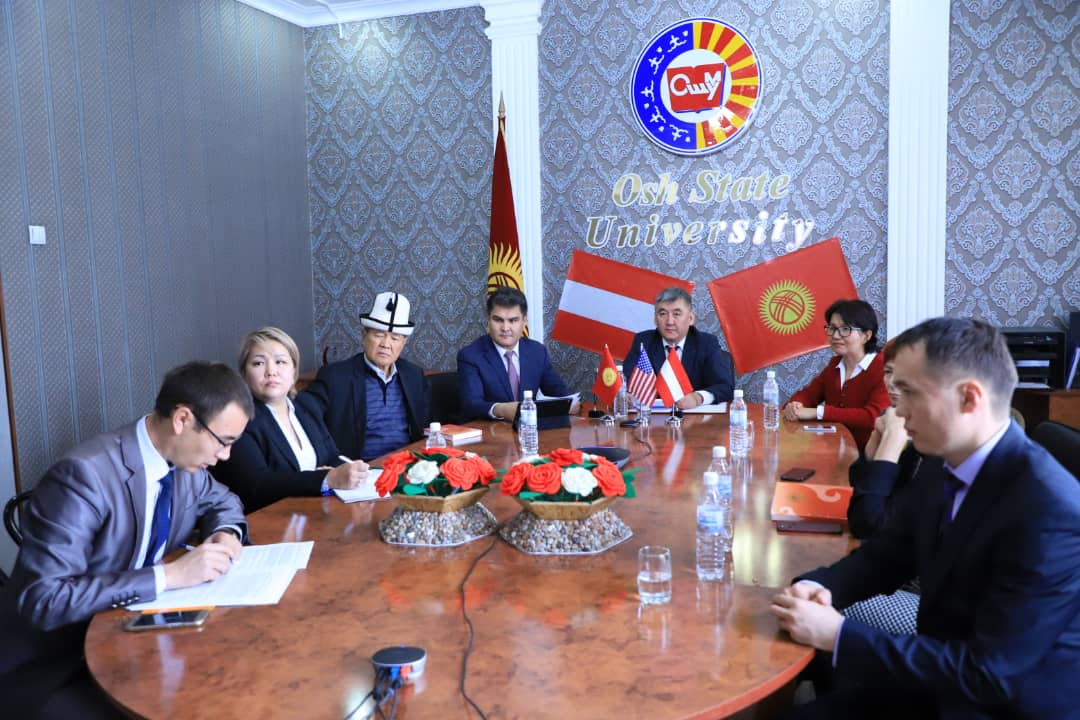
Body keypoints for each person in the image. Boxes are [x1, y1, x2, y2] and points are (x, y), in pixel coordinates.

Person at [770, 318, 1080, 719]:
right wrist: (817, 586)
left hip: (1000, 704)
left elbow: (989, 675)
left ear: (969, 398)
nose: (896, 408)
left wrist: (839, 634)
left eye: (909, 392)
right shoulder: (943, 459)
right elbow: (888, 555)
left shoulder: (1049, 511)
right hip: (939, 675)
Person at [0, 361, 253, 719]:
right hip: (56, 663)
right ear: (182, 419)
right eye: (223, 441)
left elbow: (223, 501)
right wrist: (169, 576)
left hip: (133, 639)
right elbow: (44, 599)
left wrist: (225, 533)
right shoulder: (84, 476)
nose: (225, 456)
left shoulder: (185, 465)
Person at [212, 327, 370, 512]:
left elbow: (331, 456)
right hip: (269, 518)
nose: (271, 371)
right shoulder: (239, 418)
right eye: (258, 363)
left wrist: (354, 470)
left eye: (280, 362)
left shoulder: (306, 405)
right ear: (244, 374)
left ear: (294, 371)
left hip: (315, 511)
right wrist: (327, 478)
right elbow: (255, 485)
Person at [300, 291, 429, 461]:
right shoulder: (335, 377)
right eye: (379, 335)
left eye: (395, 338)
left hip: (406, 464)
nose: (386, 344)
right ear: (363, 335)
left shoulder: (414, 376)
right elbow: (305, 418)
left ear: (403, 343)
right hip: (361, 468)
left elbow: (426, 429)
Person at [847, 341, 942, 539]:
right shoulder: (895, 416)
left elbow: (867, 524)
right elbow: (857, 498)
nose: (892, 382)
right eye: (888, 371)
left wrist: (891, 440)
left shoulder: (945, 442)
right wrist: (874, 448)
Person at [782, 299, 889, 452]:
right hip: (833, 450)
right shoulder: (835, 365)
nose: (836, 335)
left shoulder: (884, 368)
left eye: (845, 329)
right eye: (832, 328)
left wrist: (819, 412)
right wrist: (795, 406)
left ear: (866, 335)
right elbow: (808, 394)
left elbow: (873, 417)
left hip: (868, 455)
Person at [457, 287, 575, 421]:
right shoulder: (471, 356)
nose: (505, 328)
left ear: (524, 321)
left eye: (513, 320)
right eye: (498, 320)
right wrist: (500, 409)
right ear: (488, 320)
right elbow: (472, 404)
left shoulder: (537, 352)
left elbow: (558, 391)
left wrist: (571, 403)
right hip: (491, 430)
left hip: (530, 429)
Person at [623, 287, 734, 409]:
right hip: (654, 418)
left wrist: (698, 398)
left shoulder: (706, 343)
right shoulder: (643, 342)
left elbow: (725, 387)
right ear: (655, 319)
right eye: (663, 314)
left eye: (676, 314)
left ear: (690, 318)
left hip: (696, 418)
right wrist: (626, 394)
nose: (670, 322)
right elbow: (627, 382)